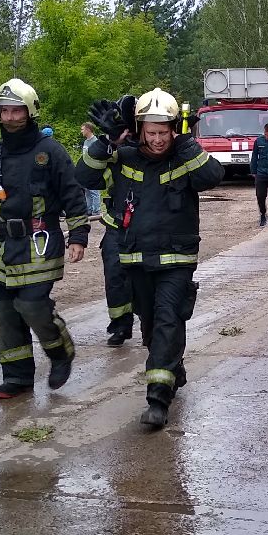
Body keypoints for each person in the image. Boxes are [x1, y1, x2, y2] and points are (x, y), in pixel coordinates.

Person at [83, 88, 223, 428]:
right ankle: (173, 365)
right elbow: (84, 177)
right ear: (140, 129)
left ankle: (158, 399)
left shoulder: (184, 156)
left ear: (173, 128)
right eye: (151, 133)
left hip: (177, 259)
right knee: (149, 326)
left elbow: (212, 176)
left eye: (164, 132)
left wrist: (186, 142)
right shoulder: (126, 156)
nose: (158, 140)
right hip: (137, 258)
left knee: (167, 319)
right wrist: (106, 141)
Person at [0, 78, 89, 399]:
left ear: (30, 112)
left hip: (39, 243)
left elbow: (72, 194)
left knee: (32, 306)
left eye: (17, 111)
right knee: (5, 313)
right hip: (2, 247)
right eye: (4, 112)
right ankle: (16, 377)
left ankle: (60, 352)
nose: (10, 118)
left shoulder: (51, 152)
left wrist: (78, 235)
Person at [75, 96, 137, 347]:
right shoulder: (115, 151)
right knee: (115, 279)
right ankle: (120, 325)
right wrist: (109, 142)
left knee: (148, 280)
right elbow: (84, 175)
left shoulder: (158, 144)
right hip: (117, 225)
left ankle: (152, 323)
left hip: (152, 226)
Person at [79, 122, 104, 219]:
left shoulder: (95, 141)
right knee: (87, 190)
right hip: (86, 169)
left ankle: (96, 210)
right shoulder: (86, 142)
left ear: (88, 129)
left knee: (94, 190)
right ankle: (88, 209)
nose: (81, 131)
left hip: (94, 169)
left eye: (82, 129)